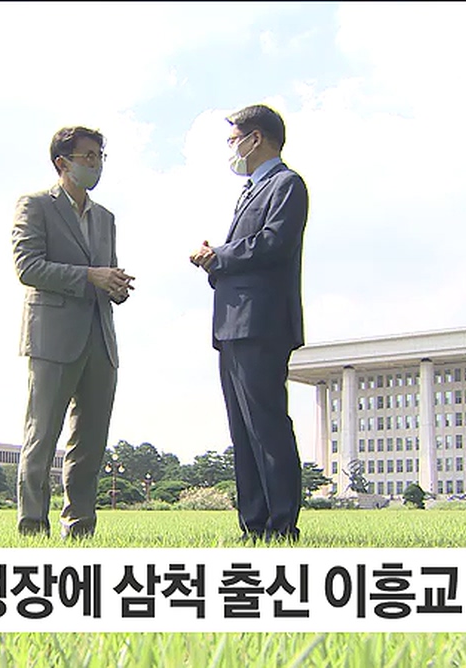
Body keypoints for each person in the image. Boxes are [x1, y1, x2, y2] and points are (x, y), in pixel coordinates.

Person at [190, 104, 309, 543]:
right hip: (233, 323)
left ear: (255, 138)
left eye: (233, 139)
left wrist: (218, 255)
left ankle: (282, 524)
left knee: (267, 425)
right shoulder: (249, 191)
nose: (231, 148)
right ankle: (254, 524)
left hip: (262, 322)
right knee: (242, 430)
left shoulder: (286, 184)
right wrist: (215, 262)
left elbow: (274, 243)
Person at [12, 126, 134, 539]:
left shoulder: (105, 218)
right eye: (88, 156)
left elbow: (104, 273)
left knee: (91, 442)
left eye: (100, 156)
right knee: (42, 435)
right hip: (52, 337)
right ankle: (32, 525)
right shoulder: (35, 205)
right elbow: (28, 267)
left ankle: (80, 527)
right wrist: (89, 276)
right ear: (62, 162)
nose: (96, 164)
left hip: (100, 338)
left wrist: (115, 286)